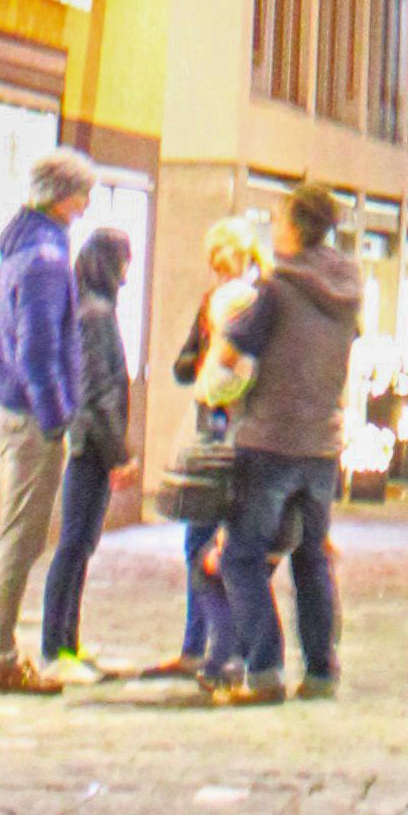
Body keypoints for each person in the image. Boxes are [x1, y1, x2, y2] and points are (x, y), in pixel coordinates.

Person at [208, 183, 361, 704]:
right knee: (312, 557)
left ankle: (264, 669)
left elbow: (231, 353)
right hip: (322, 443)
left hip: (271, 440)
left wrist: (224, 372)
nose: (274, 229)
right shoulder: (347, 287)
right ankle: (321, 671)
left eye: (279, 219)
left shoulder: (277, 289)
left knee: (242, 557)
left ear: (296, 227)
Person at [0, 151, 93, 691]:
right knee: (22, 537)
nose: (84, 205)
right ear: (63, 196)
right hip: (31, 415)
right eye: (81, 193)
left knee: (7, 528)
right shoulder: (47, 259)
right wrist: (57, 414)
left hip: (10, 407)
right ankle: (2, 656)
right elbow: (38, 347)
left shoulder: (22, 250)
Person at [142, 217, 264, 681]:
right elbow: (184, 364)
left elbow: (228, 375)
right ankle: (203, 647)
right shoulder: (213, 303)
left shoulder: (251, 303)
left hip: (230, 427)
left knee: (210, 541)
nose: (215, 265)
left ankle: (220, 650)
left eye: (222, 255)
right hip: (211, 423)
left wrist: (214, 367)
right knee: (200, 536)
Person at [34, 226, 133, 679]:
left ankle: (66, 643)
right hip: (90, 446)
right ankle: (57, 647)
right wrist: (119, 453)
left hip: (91, 443)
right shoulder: (95, 316)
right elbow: (99, 392)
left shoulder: (94, 310)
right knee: (75, 544)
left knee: (80, 545)